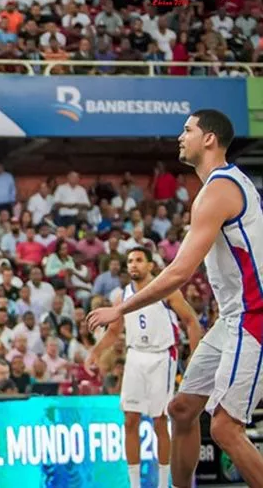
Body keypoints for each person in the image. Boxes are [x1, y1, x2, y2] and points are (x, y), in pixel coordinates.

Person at [89, 110, 263, 488]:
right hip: (233, 317)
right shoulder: (225, 186)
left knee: (224, 428)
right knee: (181, 410)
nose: (180, 136)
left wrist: (120, 307)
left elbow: (180, 273)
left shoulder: (218, 190)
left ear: (210, 139)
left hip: (254, 317)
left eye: (188, 130)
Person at [86, 247, 201, 488]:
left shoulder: (167, 290)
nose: (133, 265)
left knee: (159, 421)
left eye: (139, 260)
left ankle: (162, 483)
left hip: (162, 355)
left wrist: (195, 356)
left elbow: (191, 321)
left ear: (150, 265)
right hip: (135, 355)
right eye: (129, 261)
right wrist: (95, 353)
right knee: (130, 420)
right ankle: (134, 484)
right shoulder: (123, 296)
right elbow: (115, 331)